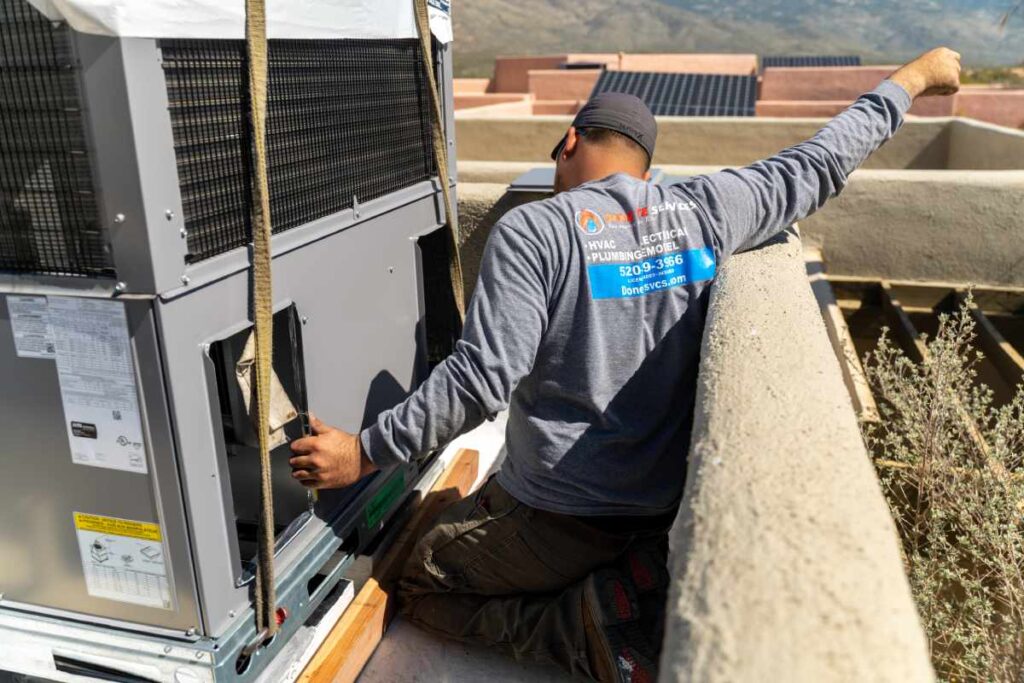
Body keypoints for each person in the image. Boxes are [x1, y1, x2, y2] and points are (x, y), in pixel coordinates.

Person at [288, 47, 962, 682]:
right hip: (656, 512)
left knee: (416, 580)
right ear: (646, 169)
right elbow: (818, 163)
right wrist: (911, 79)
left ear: (569, 143)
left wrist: (363, 452)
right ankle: (620, 582)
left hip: (556, 514)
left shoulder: (537, 231)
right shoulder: (706, 210)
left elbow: (482, 378)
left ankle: (581, 632)